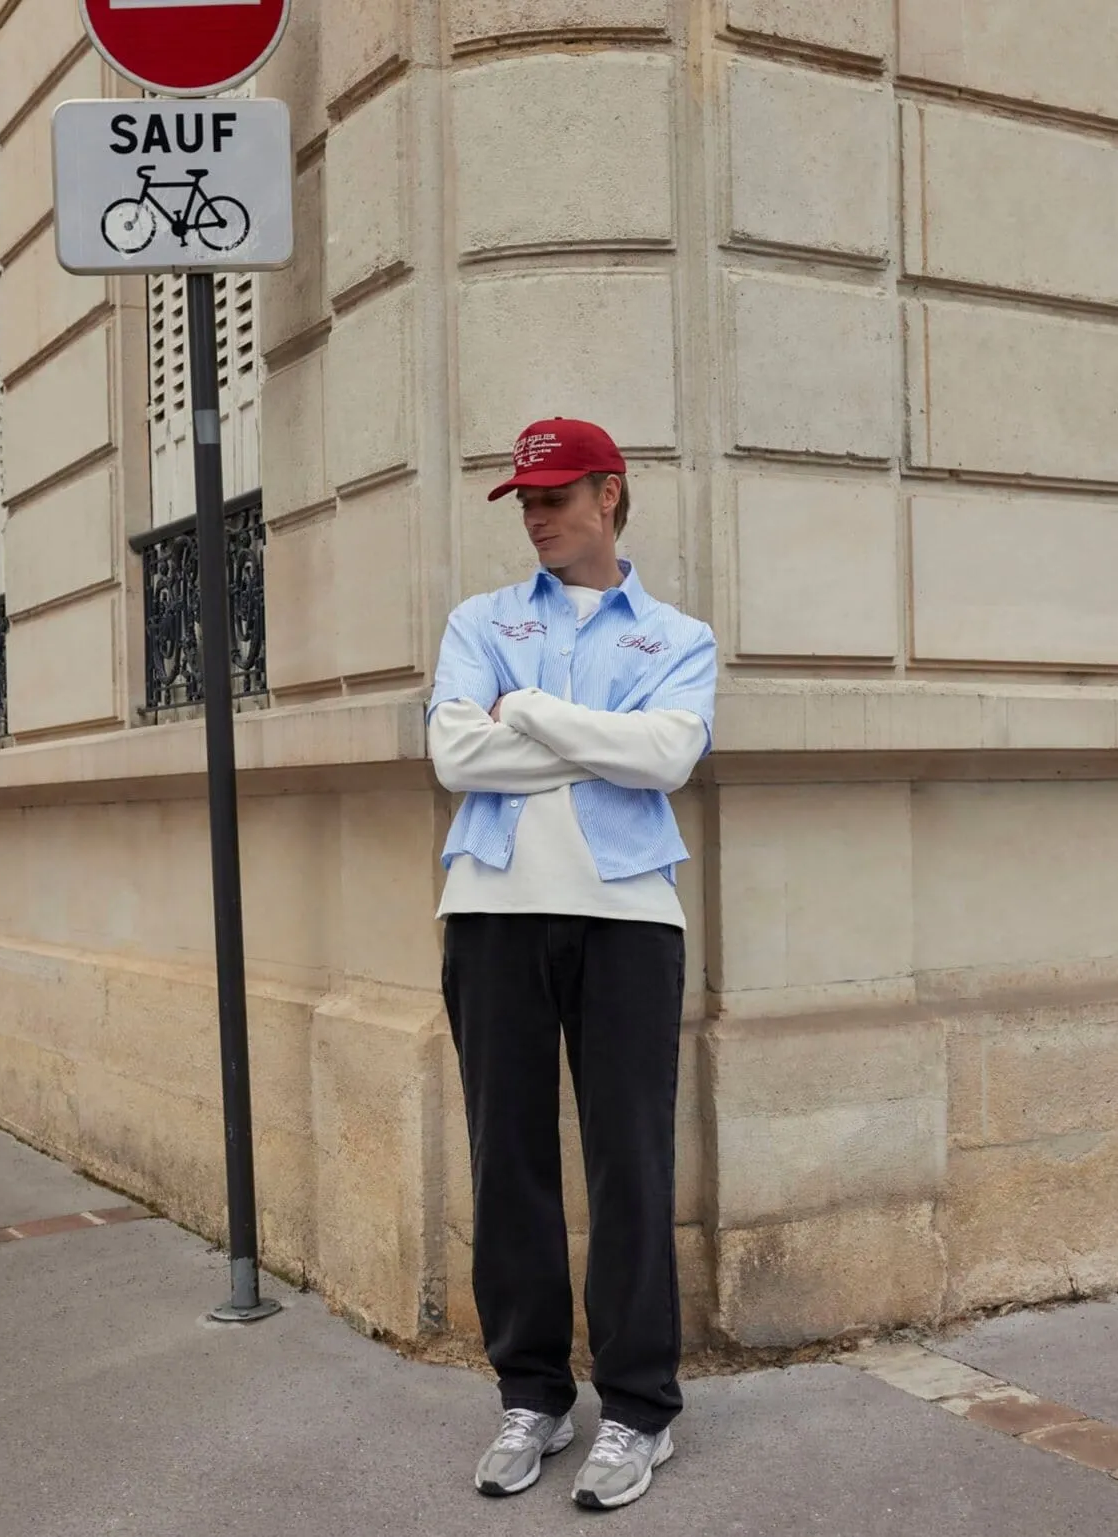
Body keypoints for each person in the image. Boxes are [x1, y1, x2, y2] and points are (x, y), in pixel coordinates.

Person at [428, 418, 717, 1511]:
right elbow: (455, 753)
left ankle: (639, 1410)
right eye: (527, 500)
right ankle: (533, 1394)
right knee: (508, 1159)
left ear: (610, 494)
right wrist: (601, 737)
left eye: (556, 496)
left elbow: (669, 756)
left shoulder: (677, 635)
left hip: (629, 918)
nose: (539, 517)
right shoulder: (480, 619)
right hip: (492, 908)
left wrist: (534, 713)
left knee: (631, 1163)